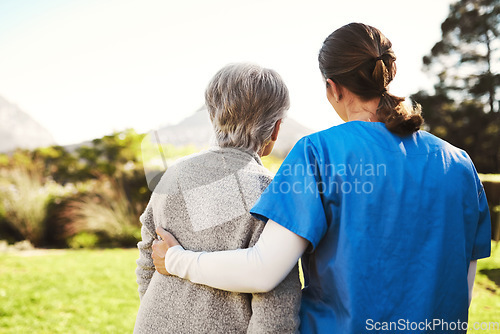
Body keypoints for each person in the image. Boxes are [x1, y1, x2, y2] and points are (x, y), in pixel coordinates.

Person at [152, 23, 491, 334]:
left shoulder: (318, 153)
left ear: (333, 87)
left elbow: (262, 270)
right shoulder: (459, 164)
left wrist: (176, 259)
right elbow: (462, 286)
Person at [134, 63, 301, 334]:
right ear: (275, 129)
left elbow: (147, 260)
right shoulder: (271, 193)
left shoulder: (172, 175)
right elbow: (275, 311)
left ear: (212, 116)